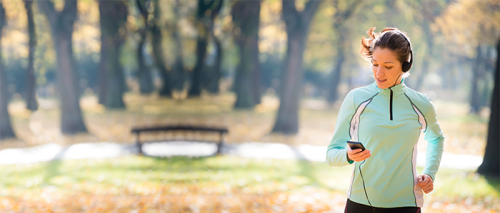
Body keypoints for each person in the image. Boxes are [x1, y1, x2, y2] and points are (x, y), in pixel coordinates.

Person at [326, 27, 445, 213]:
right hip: (361, 202)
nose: (379, 73)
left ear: (405, 65)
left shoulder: (421, 103)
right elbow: (332, 154)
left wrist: (429, 173)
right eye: (375, 64)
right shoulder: (356, 99)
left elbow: (436, 138)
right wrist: (348, 156)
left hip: (406, 203)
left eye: (388, 66)